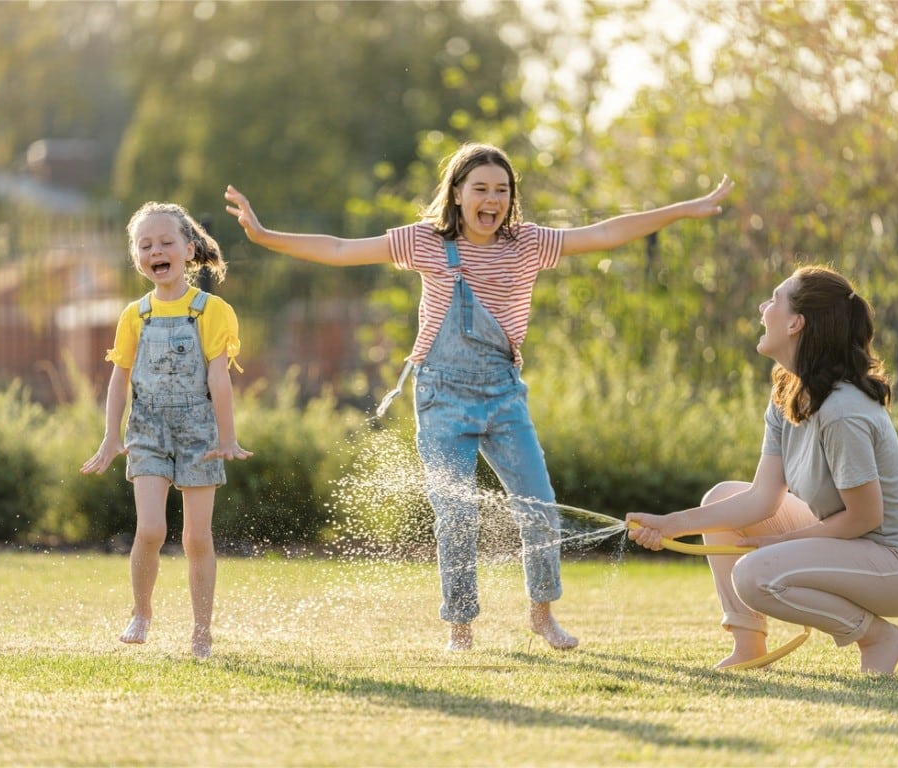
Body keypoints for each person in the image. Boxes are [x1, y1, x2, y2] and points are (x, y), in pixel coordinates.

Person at [225, 142, 733, 651]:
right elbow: (340, 249)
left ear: (511, 199)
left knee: (540, 507)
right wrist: (265, 236)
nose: (492, 200)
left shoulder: (528, 243)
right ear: (457, 194)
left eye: (502, 190)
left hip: (504, 397)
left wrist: (684, 209)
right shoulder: (426, 242)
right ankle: (460, 628)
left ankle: (542, 613)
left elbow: (604, 233)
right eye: (481, 189)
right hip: (441, 397)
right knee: (456, 515)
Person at [627, 265, 898, 675]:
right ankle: (749, 645)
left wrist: (781, 544)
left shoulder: (842, 411)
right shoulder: (789, 393)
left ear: (797, 323)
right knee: (722, 498)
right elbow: (761, 499)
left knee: (755, 574)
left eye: (774, 299)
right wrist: (670, 524)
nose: (762, 308)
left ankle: (877, 637)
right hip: (855, 542)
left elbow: (866, 516)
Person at [81, 201, 252, 659]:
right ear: (137, 257)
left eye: (165, 242)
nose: (155, 250)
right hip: (148, 430)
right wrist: (111, 435)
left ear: (189, 249)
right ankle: (141, 612)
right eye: (145, 245)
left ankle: (201, 631)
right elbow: (120, 377)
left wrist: (227, 436)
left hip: (199, 432)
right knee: (151, 530)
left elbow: (219, 379)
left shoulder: (212, 311)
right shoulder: (134, 315)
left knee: (197, 538)